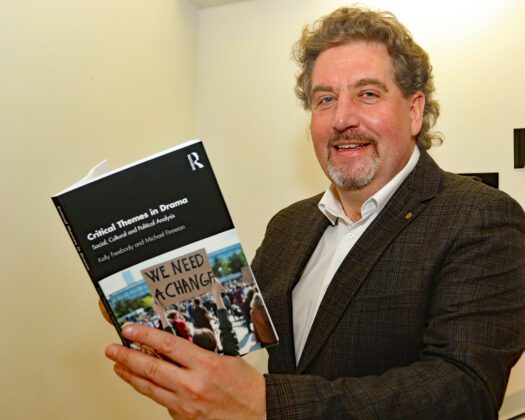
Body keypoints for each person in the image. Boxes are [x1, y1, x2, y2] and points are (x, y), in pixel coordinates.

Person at [104, 6, 525, 419]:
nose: (342, 118)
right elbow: (241, 331)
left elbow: (463, 392)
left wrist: (266, 403)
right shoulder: (288, 226)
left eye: (368, 94)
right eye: (325, 99)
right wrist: (156, 312)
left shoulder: (480, 218)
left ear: (414, 111)